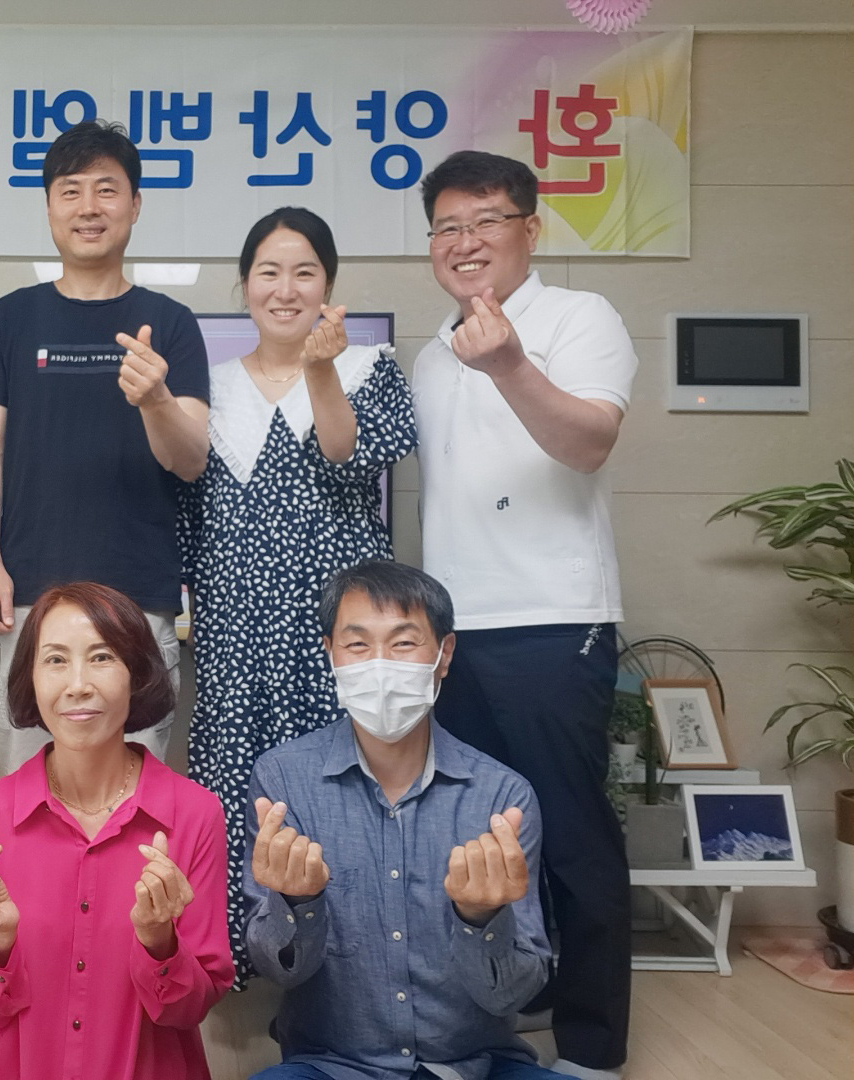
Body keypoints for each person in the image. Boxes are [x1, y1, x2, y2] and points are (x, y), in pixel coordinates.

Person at [411, 150, 637, 1079]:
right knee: (480, 832)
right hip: (453, 633)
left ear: (530, 229)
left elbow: (590, 442)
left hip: (551, 618)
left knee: (571, 832)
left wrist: (508, 364)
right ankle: (514, 999)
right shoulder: (431, 353)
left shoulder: (580, 318)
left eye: (486, 221)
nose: (465, 242)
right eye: (447, 227)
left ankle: (592, 1043)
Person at [179, 207, 415, 982]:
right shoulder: (207, 388)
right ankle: (241, 959)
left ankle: (349, 967)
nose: (286, 289)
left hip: (334, 622)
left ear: (329, 286)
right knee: (234, 778)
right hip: (234, 620)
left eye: (305, 272)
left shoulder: (368, 367)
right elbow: (185, 504)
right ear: (244, 284)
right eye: (269, 272)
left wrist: (320, 370)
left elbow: (349, 459)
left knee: (341, 779)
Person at [244, 559, 557, 1079]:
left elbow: (516, 994)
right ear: (331, 654)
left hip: (475, 1065)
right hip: (332, 1065)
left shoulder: (502, 796)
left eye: (404, 642)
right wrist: (297, 905)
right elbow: (278, 971)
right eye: (357, 644)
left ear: (444, 654)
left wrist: (481, 919)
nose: (380, 664)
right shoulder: (283, 781)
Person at [0, 119, 211, 774]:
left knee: (133, 800)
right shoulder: (13, 317)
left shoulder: (173, 323)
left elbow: (191, 461)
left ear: (135, 204)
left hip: (138, 599)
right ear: (49, 207)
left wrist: (156, 400)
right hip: (29, 596)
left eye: (106, 189)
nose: (88, 207)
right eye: (70, 191)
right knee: (30, 796)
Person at [0, 582, 234, 1080]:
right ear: (30, 677)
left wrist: (159, 941)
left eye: (101, 657)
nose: (77, 684)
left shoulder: (195, 814)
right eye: (55, 660)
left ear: (137, 673)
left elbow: (191, 1009)